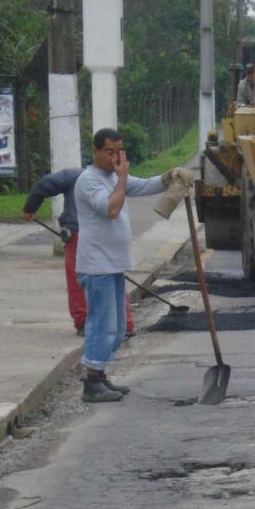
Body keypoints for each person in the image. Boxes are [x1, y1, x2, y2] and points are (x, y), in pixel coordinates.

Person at [74, 128, 166, 403]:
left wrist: (169, 177)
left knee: (115, 327)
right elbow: (111, 209)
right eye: (109, 151)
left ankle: (100, 376)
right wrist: (123, 177)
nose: (115, 158)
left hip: (114, 264)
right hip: (97, 266)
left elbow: (145, 185)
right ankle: (91, 383)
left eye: (119, 151)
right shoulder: (89, 180)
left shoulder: (114, 177)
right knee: (102, 325)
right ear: (96, 151)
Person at [22, 169, 135, 336]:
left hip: (80, 235)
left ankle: (85, 322)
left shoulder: (74, 176)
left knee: (79, 279)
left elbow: (43, 185)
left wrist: (30, 208)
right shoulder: (114, 180)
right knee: (113, 277)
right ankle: (123, 323)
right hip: (107, 235)